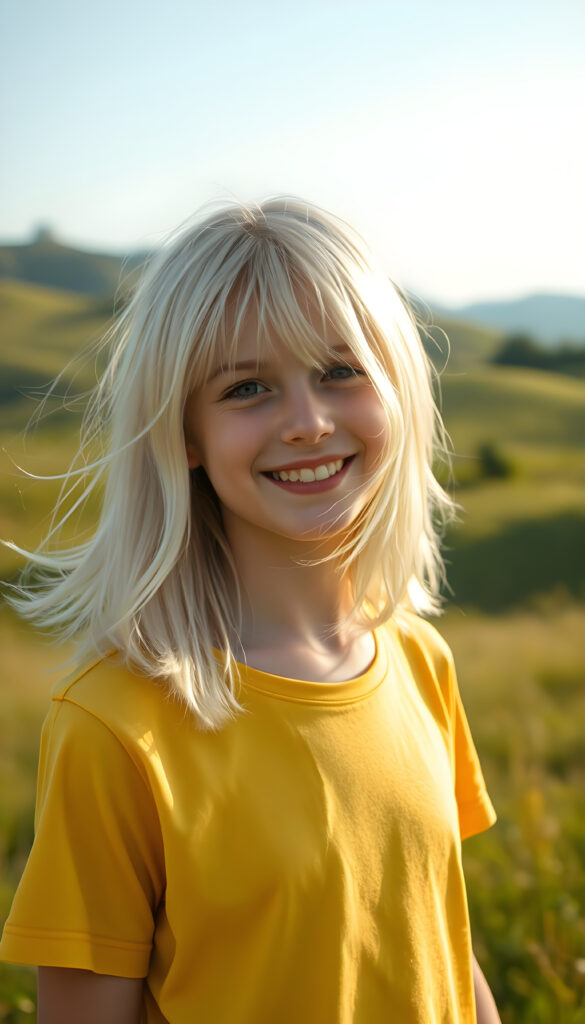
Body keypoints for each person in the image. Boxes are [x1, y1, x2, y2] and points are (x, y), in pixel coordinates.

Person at [0, 197, 501, 1023]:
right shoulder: (113, 726)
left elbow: (442, 941)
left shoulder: (419, 662)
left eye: (340, 372)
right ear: (182, 434)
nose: (306, 423)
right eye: (247, 388)